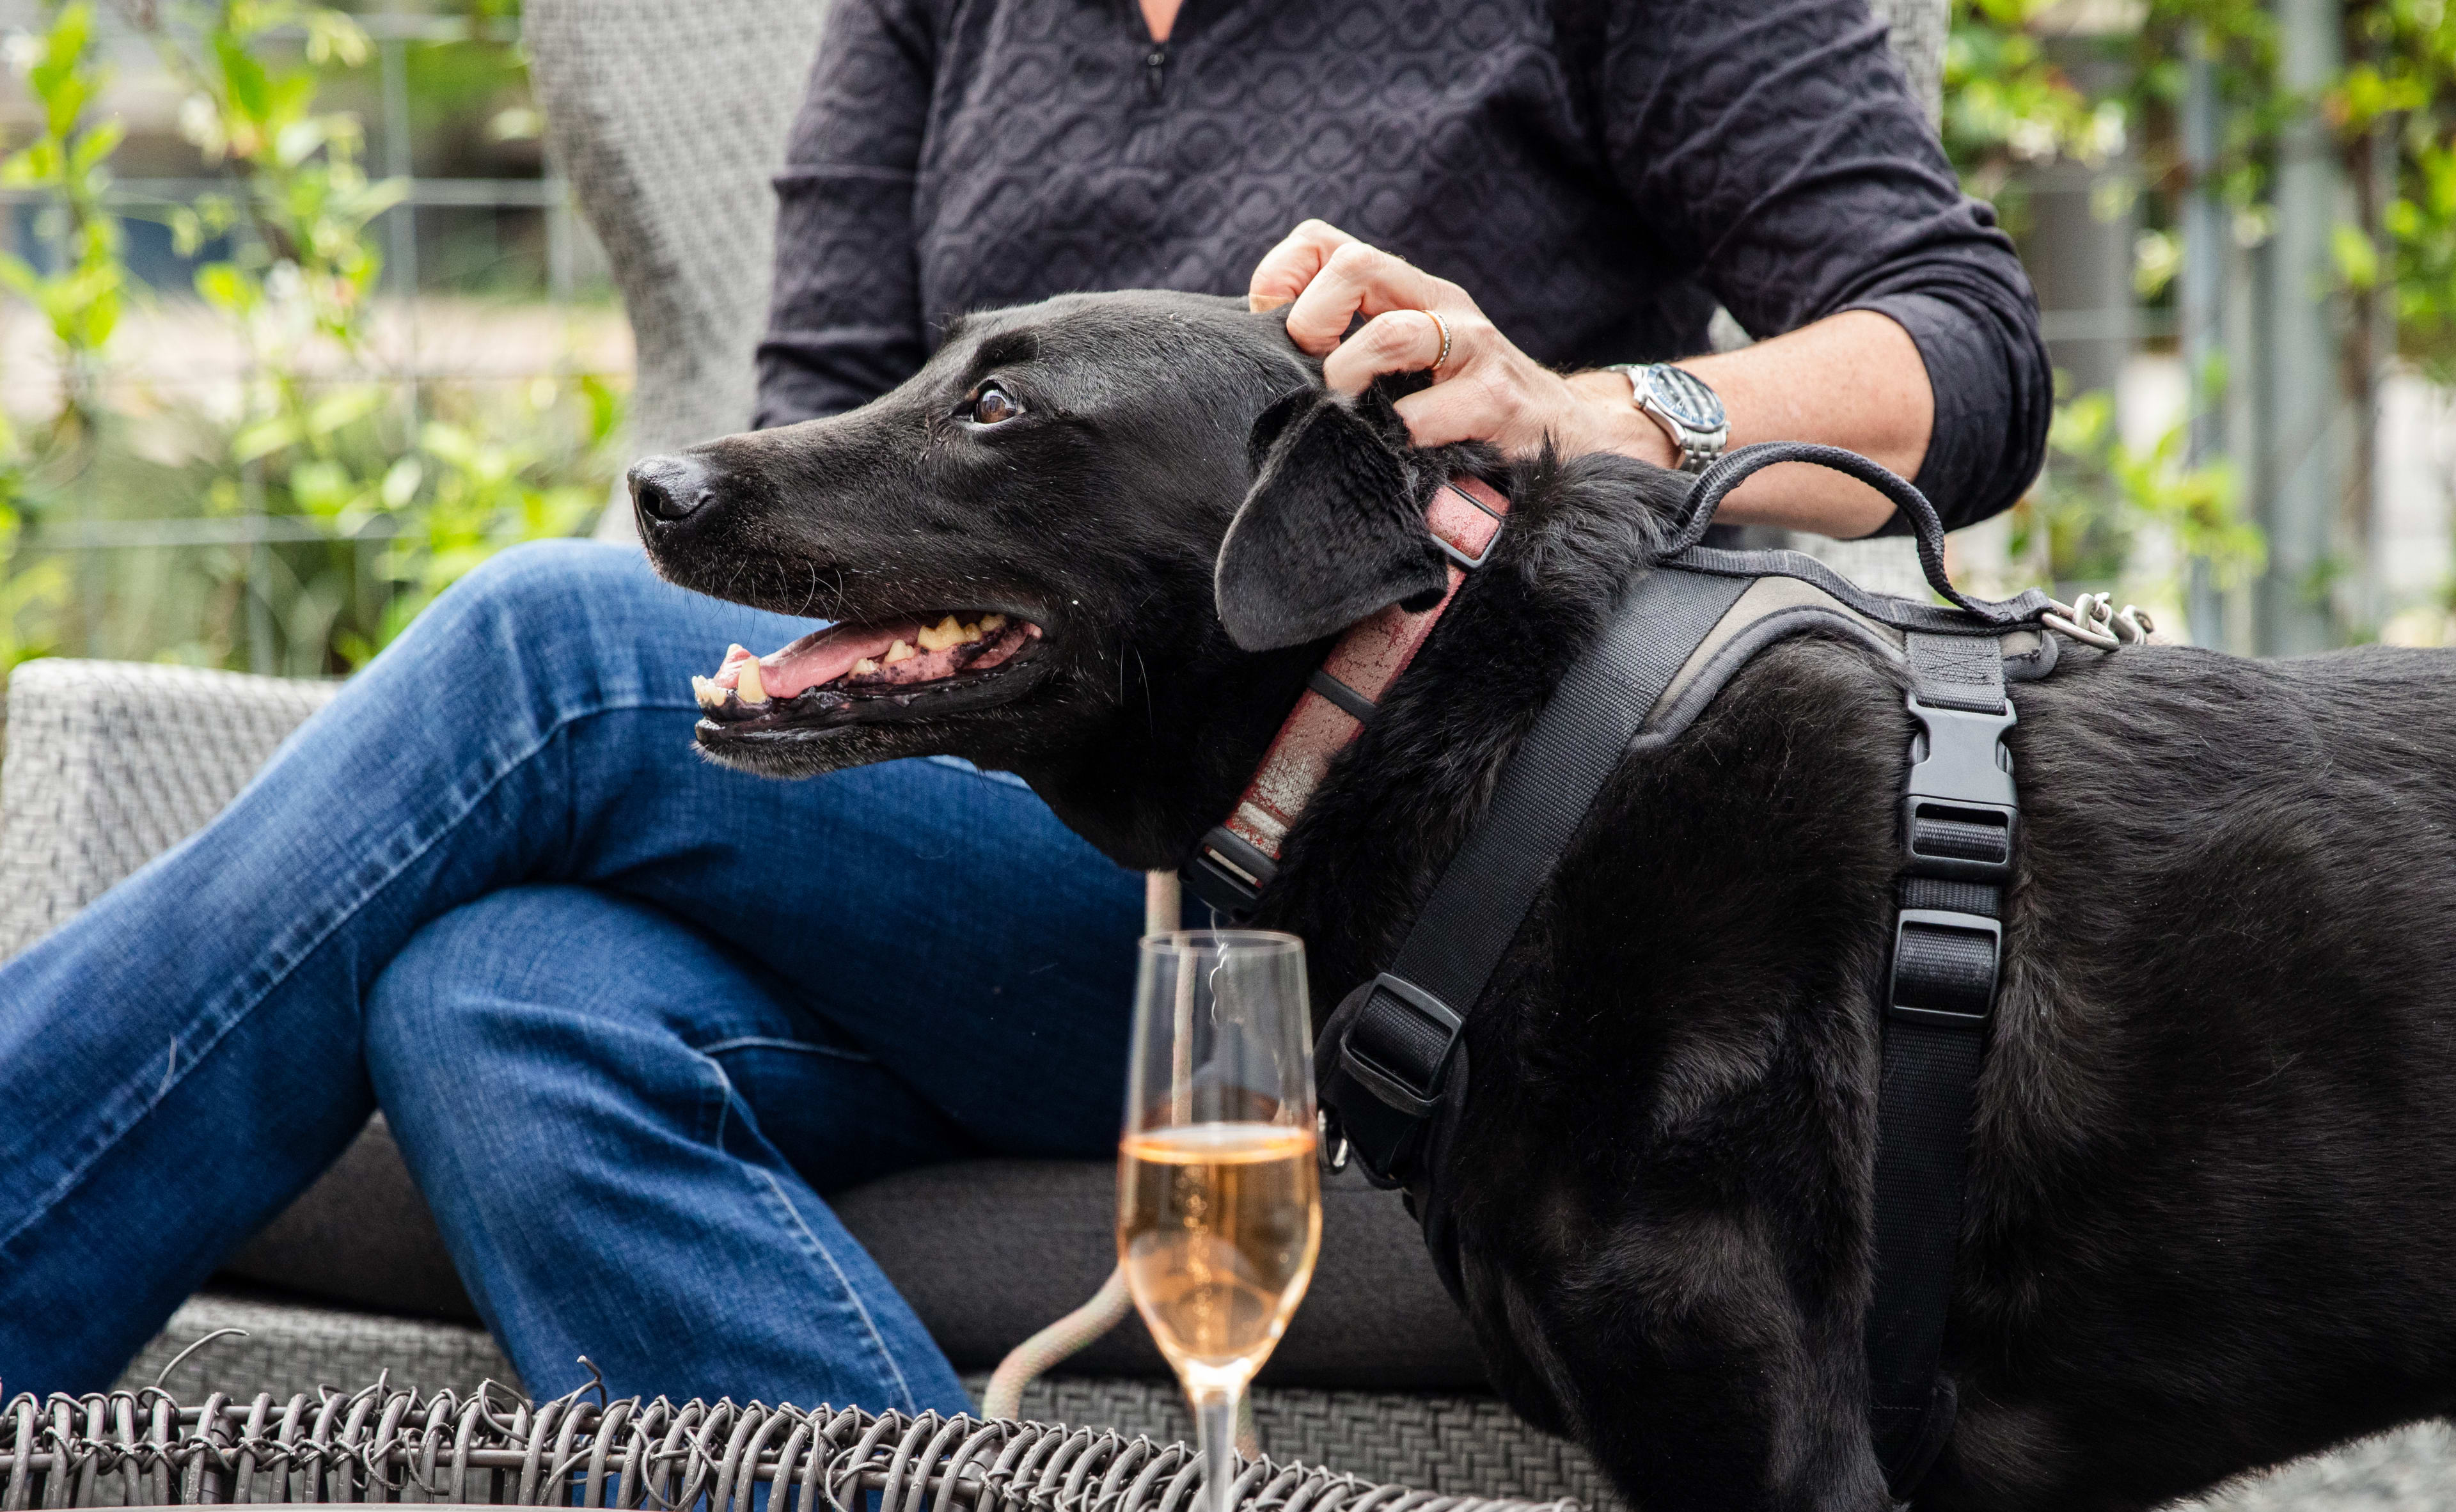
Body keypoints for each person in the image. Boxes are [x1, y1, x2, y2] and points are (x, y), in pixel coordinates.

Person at [0, 0, 2047, 1405]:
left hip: (1419, 884)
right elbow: (816, 459)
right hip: (1019, 855)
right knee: (501, 996)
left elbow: (1964, 355)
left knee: (546, 658)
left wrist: (1580, 415)